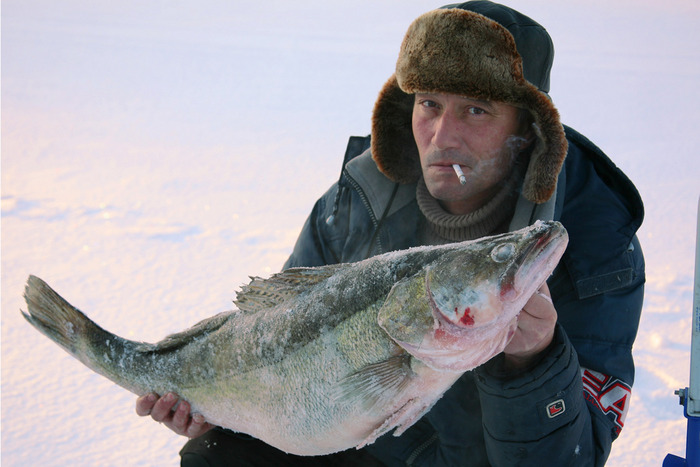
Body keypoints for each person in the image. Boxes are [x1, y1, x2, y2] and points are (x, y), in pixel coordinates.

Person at [136, 2, 645, 465]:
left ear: (526, 127)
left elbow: (573, 459)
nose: (443, 137)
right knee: (215, 456)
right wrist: (219, 404)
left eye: (475, 109)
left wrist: (536, 364)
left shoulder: (593, 243)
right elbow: (277, 338)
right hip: (354, 441)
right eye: (429, 104)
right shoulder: (358, 199)